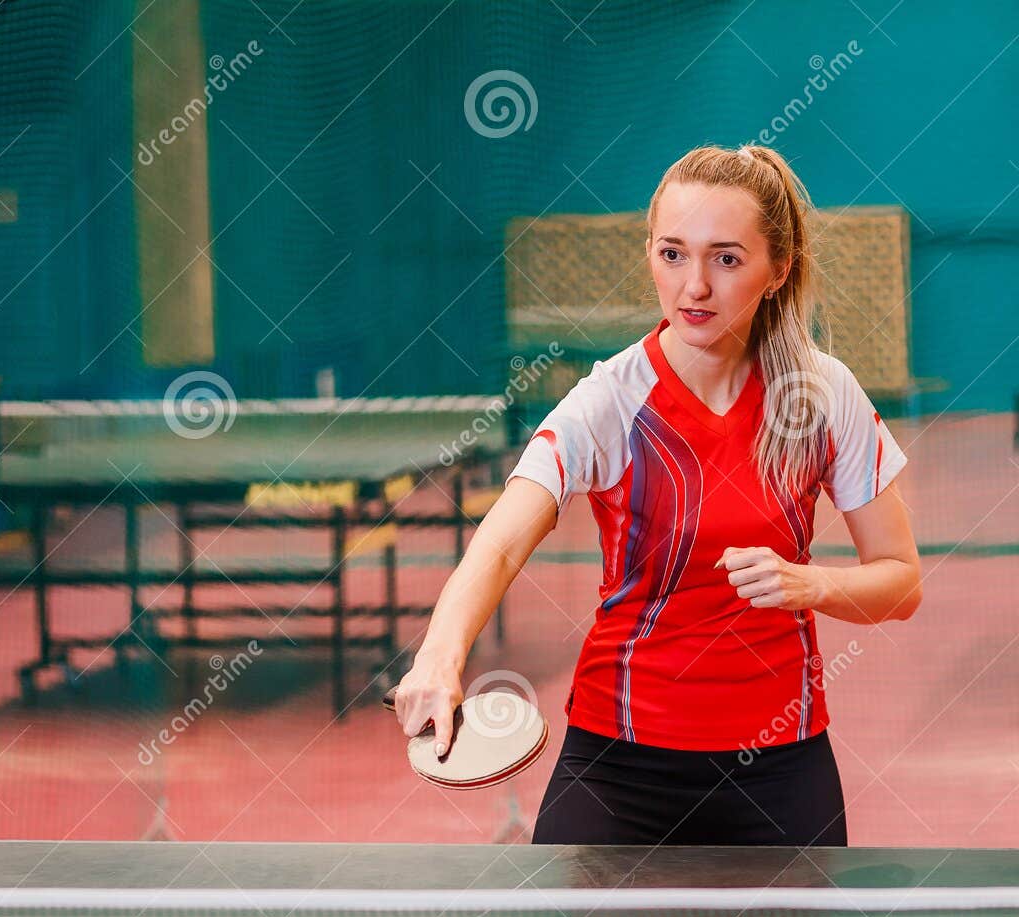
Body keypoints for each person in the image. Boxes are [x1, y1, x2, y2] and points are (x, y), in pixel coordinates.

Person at [391, 143, 921, 846]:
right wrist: (438, 652)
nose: (694, 286)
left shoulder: (821, 397)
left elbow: (902, 580)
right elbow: (500, 541)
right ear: (650, 254)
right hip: (619, 764)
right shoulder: (609, 401)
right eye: (673, 254)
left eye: (726, 258)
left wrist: (810, 584)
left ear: (777, 269)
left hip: (779, 764)